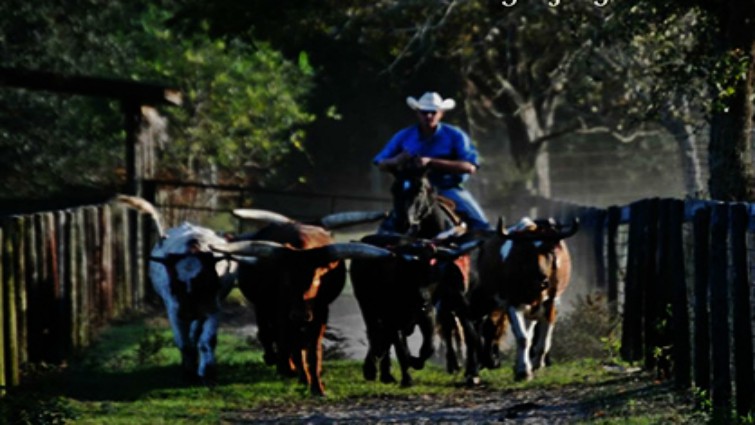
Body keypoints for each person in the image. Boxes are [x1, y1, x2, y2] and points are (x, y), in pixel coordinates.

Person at [373, 91, 491, 231]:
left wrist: (431, 162)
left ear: (441, 113)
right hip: (412, 190)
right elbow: (380, 163)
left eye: (433, 112)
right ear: (418, 113)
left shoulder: (455, 135)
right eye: (424, 112)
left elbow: (470, 167)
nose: (428, 116)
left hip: (447, 188)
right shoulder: (404, 135)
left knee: (481, 224)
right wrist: (398, 159)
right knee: (387, 229)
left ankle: (486, 238)